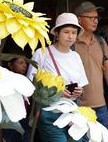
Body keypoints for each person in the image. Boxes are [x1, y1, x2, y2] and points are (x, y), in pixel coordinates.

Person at [27, 13, 88, 142]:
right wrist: (56, 93)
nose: (71, 36)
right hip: (50, 112)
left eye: (74, 32)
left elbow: (82, 85)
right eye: (66, 32)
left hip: (72, 111)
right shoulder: (43, 53)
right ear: (57, 33)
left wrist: (80, 91)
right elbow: (29, 85)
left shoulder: (76, 57)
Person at [74, 1, 108, 130]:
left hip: (101, 107)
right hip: (79, 107)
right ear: (79, 19)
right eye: (91, 18)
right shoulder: (71, 44)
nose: (96, 21)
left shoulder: (100, 42)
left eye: (96, 18)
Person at [3, 54, 30, 142]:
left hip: (23, 117)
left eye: (25, 63)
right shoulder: (5, 79)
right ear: (10, 65)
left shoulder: (26, 80)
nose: (25, 65)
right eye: (21, 63)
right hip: (8, 117)